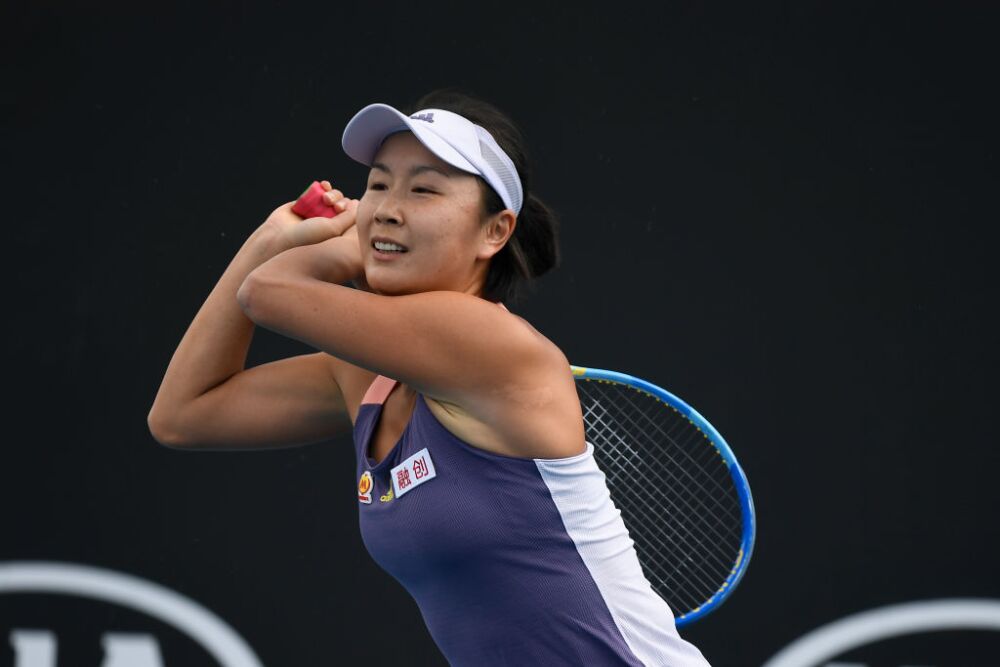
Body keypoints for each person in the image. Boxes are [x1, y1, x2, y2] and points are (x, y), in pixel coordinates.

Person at [148, 89, 711, 666]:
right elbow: (184, 414)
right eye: (377, 185)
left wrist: (345, 245)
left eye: (423, 189)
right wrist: (270, 239)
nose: (388, 207)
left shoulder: (484, 341)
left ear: (495, 232)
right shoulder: (371, 377)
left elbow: (266, 294)